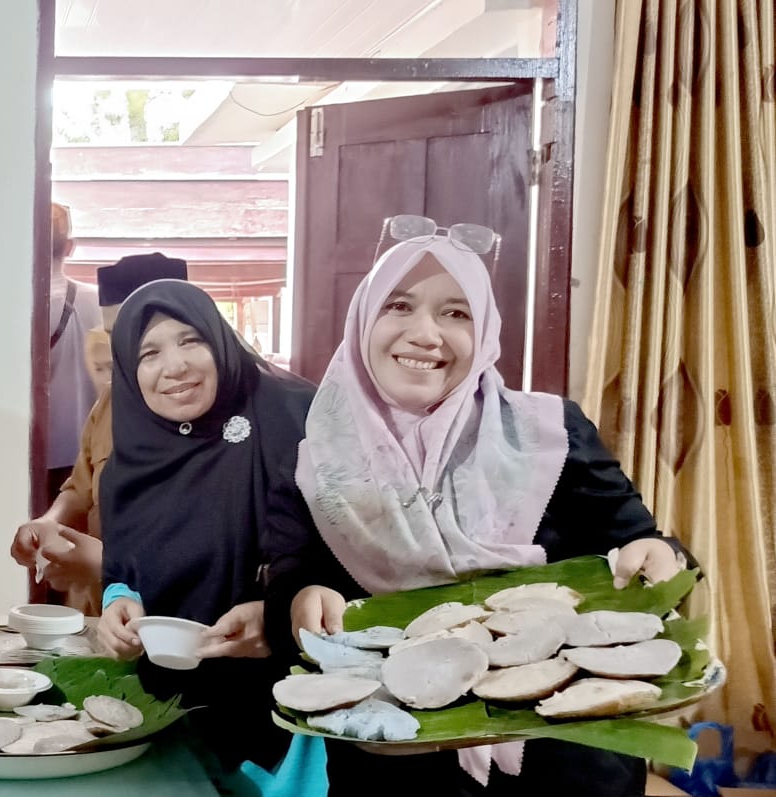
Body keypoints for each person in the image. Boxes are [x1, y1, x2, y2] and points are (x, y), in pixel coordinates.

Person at [283, 226, 692, 797]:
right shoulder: (318, 460)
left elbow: (642, 543)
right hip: (403, 746)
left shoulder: (548, 433)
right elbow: (294, 573)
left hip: (561, 742)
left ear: (486, 332)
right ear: (363, 321)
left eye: (457, 313)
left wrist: (657, 554)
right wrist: (302, 595)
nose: (426, 333)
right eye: (399, 306)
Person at [94, 279, 318, 780]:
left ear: (220, 342)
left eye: (190, 340)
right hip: (171, 709)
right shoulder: (126, 469)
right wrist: (117, 603)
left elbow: (347, 551)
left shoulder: (294, 416)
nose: (174, 366)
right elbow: (122, 567)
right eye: (149, 353)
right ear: (130, 373)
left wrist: (281, 615)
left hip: (295, 709)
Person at [11, 254, 188, 616]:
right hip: (100, 604)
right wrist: (49, 521)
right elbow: (80, 487)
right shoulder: (111, 401)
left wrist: (107, 562)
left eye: (141, 340)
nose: (124, 353)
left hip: (173, 612)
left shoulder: (217, 413)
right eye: (113, 338)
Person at [45, 202, 101, 492]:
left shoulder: (18, 309)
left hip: (30, 451)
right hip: (86, 452)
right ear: (70, 247)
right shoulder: (98, 302)